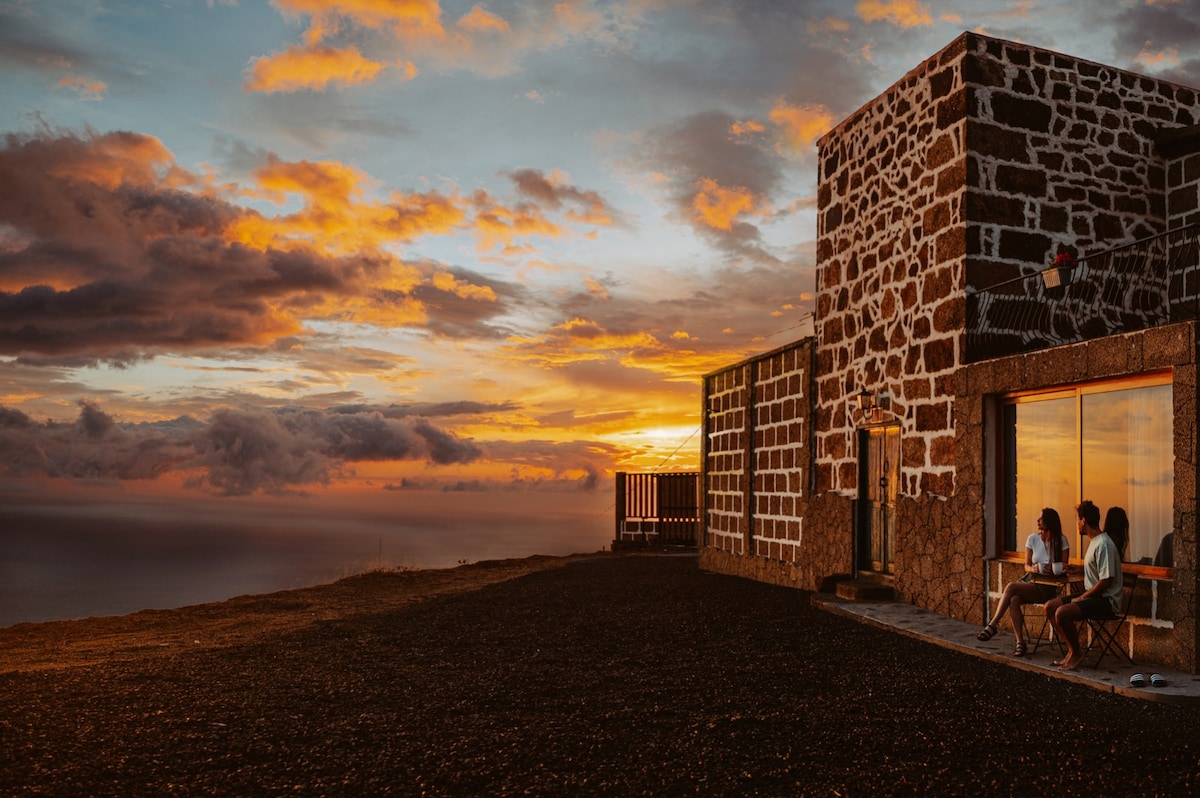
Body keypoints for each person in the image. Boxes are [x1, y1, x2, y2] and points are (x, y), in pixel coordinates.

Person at [976, 508, 1070, 656]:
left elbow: (1064, 567)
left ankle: (993, 624)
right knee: (1014, 599)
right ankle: (1020, 642)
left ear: (1049, 522)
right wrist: (1034, 569)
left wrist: (1052, 569)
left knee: (1011, 586)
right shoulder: (1032, 539)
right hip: (1032, 582)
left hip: (1049, 587)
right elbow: (1026, 566)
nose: (1037, 521)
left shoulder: (1061, 541)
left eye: (1041, 518)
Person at [1044, 500, 1123, 671]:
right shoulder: (1095, 542)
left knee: (1062, 613)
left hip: (1106, 601)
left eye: (1077, 520)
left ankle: (1077, 653)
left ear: (1083, 521)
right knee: (1050, 607)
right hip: (1093, 596)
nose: (1076, 524)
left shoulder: (1104, 544)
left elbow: (1106, 580)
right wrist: (1077, 569)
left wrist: (1082, 597)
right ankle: (1072, 651)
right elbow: (1098, 570)